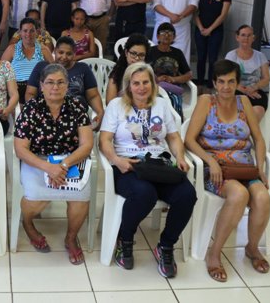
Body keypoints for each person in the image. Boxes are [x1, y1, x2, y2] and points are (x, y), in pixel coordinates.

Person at [99, 62, 196, 277]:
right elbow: (104, 139)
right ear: (128, 85)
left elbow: (173, 136)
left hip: (158, 164)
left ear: (152, 84)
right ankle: (124, 239)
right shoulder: (116, 105)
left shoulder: (161, 105)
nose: (141, 87)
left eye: (146, 82)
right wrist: (116, 160)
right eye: (136, 83)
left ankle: (166, 245)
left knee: (187, 195)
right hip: (128, 165)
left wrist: (180, 157)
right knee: (145, 194)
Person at [184, 59, 270, 282]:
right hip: (216, 169)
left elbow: (258, 139)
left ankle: (252, 248)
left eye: (231, 82)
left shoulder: (244, 103)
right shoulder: (206, 101)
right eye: (221, 82)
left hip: (244, 167)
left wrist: (260, 168)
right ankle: (214, 252)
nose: (226, 87)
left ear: (238, 83)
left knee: (262, 197)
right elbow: (190, 140)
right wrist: (210, 161)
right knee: (239, 195)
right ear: (214, 82)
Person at [14, 63, 94, 265]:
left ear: (67, 85)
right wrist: (49, 167)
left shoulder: (77, 107)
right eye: (49, 82)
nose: (55, 87)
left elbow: (86, 144)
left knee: (80, 197)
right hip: (38, 160)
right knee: (35, 199)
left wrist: (63, 165)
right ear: (41, 85)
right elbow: (21, 149)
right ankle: (28, 223)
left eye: (60, 82)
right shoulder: (31, 109)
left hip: (70, 158)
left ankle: (70, 237)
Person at [25, 36, 104, 128]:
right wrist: (36, 111)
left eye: (69, 54)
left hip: (76, 119)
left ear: (74, 54)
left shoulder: (83, 68)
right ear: (54, 51)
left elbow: (93, 96)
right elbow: (30, 93)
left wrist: (100, 112)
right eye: (61, 52)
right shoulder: (42, 67)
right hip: (45, 118)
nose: (64, 57)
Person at [1, 18, 53, 104]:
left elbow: (54, 69)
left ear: (37, 32)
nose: (28, 34)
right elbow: (1, 69)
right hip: (17, 87)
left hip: (38, 88)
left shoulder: (43, 49)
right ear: (20, 32)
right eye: (25, 31)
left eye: (32, 31)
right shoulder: (12, 49)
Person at [195, 0, 232, 87]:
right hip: (200, 30)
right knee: (200, 58)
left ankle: (211, 86)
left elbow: (223, 15)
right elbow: (195, 12)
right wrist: (201, 28)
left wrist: (210, 29)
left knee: (213, 60)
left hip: (216, 32)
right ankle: (199, 85)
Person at [224, 25, 270, 122]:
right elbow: (226, 77)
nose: (246, 38)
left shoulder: (260, 56)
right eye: (243, 35)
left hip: (255, 92)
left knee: (256, 112)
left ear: (253, 38)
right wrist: (244, 90)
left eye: (249, 35)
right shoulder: (231, 56)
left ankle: (246, 134)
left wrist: (253, 88)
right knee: (235, 113)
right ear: (237, 37)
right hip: (235, 90)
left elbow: (266, 78)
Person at [149, 23, 193, 119]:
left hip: (173, 87)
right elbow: (143, 70)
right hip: (154, 87)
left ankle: (176, 125)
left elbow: (189, 74)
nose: (167, 35)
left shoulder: (178, 53)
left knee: (174, 100)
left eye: (170, 33)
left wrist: (173, 79)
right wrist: (157, 79)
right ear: (157, 36)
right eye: (163, 32)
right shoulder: (150, 51)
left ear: (174, 37)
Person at [105, 33, 151, 105]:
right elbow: (110, 105)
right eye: (133, 53)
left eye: (141, 55)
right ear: (126, 53)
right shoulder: (117, 75)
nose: (137, 58)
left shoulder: (149, 74)